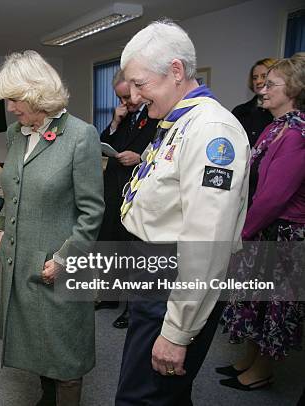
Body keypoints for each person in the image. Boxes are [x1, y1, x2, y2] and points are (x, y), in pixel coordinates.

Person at [116, 20, 249, 405]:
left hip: (174, 279)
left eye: (140, 84)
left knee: (142, 397)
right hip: (154, 270)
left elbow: (206, 244)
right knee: (163, 394)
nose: (134, 96)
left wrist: (177, 331)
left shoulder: (211, 130)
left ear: (176, 71)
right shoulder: (177, 121)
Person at [0, 50, 104, 406]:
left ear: (37, 93)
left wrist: (65, 260)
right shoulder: (16, 134)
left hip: (57, 263)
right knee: (35, 339)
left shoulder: (81, 136)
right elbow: (13, 189)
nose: (10, 108)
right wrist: (1, 227)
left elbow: (91, 211)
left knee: (65, 347)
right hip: (20, 259)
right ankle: (46, 396)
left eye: (14, 99)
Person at [219, 54, 305, 391]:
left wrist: (242, 232)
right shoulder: (275, 127)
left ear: (294, 89)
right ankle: (250, 360)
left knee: (274, 307)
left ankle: (262, 370)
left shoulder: (296, 135)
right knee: (256, 302)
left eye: (271, 84)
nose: (262, 89)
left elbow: (273, 197)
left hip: (284, 234)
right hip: (265, 228)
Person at [95, 69, 158, 328]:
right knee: (110, 241)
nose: (126, 103)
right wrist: (114, 123)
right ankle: (110, 296)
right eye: (120, 99)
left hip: (139, 186)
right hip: (114, 186)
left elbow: (163, 147)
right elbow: (103, 142)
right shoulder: (123, 116)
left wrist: (140, 157)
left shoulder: (157, 113)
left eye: (128, 97)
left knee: (133, 248)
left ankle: (133, 308)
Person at [232, 58, 276, 147]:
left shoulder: (281, 112)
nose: (258, 81)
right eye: (255, 78)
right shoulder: (239, 111)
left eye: (264, 76)